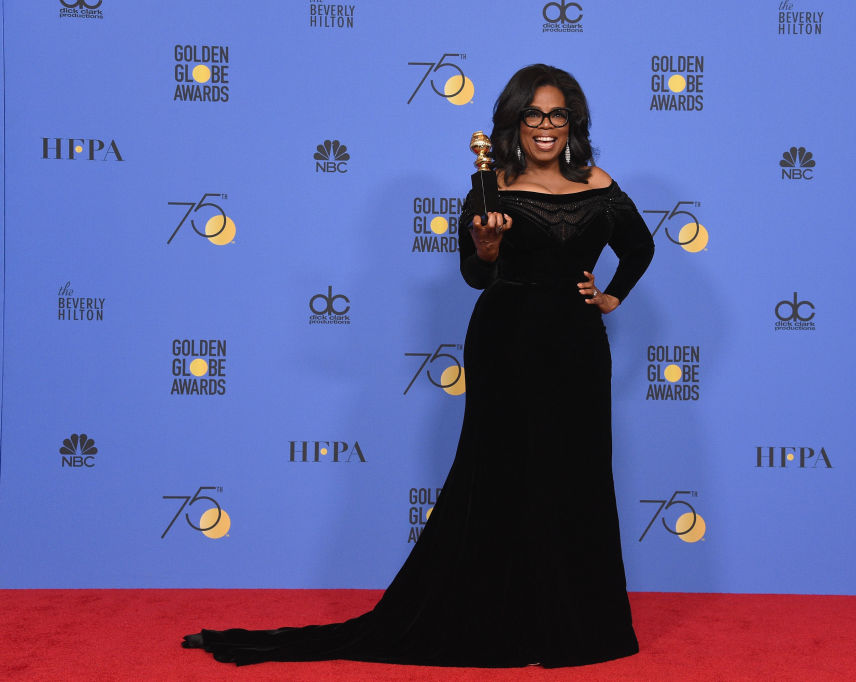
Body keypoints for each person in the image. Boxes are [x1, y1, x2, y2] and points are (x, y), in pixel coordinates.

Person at [182, 63, 655, 668]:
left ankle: (577, 628)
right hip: (508, 342)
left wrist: (611, 297)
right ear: (514, 123)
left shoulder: (599, 183)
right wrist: (487, 247)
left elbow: (639, 246)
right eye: (533, 114)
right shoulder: (490, 189)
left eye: (557, 114)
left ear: (573, 122)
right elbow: (476, 275)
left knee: (576, 474)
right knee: (506, 473)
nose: (545, 125)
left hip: (578, 348)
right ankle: (508, 622)